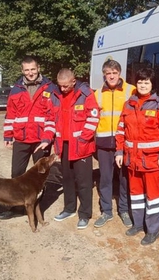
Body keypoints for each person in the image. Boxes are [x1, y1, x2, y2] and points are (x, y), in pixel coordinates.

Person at [115, 67, 159, 245]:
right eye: (140, 82)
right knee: (136, 194)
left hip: (150, 161)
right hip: (131, 160)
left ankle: (153, 230)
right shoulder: (129, 104)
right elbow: (120, 131)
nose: (142, 85)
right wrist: (119, 152)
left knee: (153, 197)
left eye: (146, 82)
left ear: (152, 84)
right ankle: (138, 224)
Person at [0, 55, 57, 219]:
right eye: (27, 70)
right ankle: (15, 208)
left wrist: (47, 139)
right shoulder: (16, 89)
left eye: (33, 69)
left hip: (41, 140)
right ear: (22, 71)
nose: (30, 73)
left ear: (38, 68)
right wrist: (7, 135)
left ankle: (37, 208)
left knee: (40, 176)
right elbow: (10, 115)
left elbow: (51, 117)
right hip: (21, 139)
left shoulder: (50, 88)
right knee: (16, 174)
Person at [51, 68, 100, 230]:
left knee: (84, 182)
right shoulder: (55, 95)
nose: (63, 89)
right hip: (63, 146)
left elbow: (93, 118)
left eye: (66, 86)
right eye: (60, 86)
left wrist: (82, 139)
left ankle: (85, 214)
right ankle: (69, 208)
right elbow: (51, 117)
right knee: (67, 179)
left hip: (82, 146)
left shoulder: (85, 94)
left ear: (73, 81)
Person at [93, 59, 136, 228]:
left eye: (114, 73)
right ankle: (106, 211)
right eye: (108, 73)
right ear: (104, 74)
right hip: (103, 144)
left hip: (124, 143)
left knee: (124, 179)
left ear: (120, 74)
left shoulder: (131, 90)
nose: (111, 76)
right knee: (105, 178)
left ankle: (124, 210)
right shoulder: (97, 93)